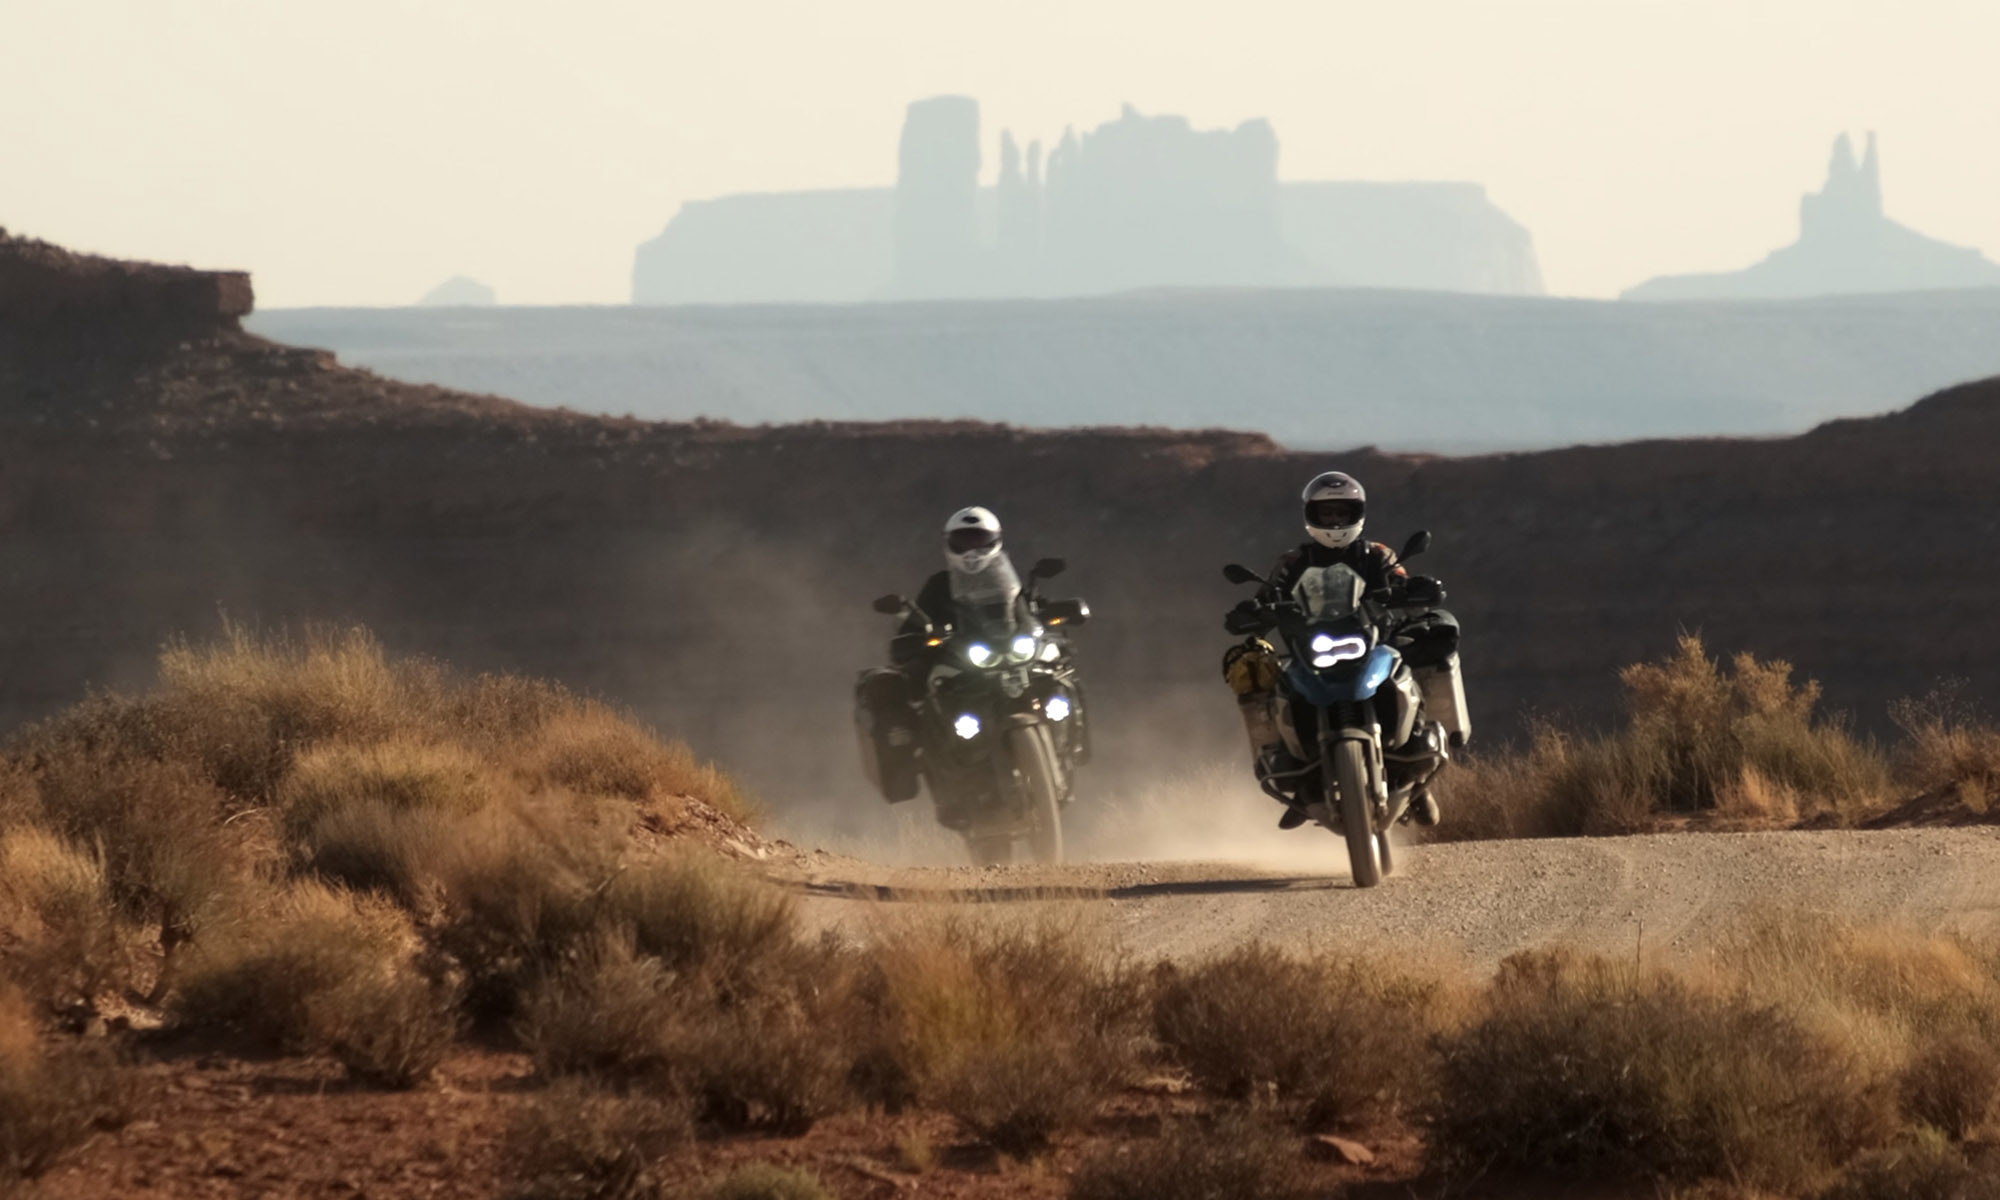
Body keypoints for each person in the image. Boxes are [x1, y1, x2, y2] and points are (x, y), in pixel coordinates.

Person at [1223, 470, 1443, 829]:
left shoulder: (1378, 554)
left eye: (1342, 513)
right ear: (1312, 515)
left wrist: (1415, 591)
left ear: (1357, 513)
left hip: (1370, 641)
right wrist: (1252, 613)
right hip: (1311, 646)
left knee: (1401, 668)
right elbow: (1267, 596)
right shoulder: (1292, 562)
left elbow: (1402, 582)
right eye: (1328, 514)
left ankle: (1415, 777)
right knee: (1280, 686)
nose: (1336, 521)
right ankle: (1303, 784)